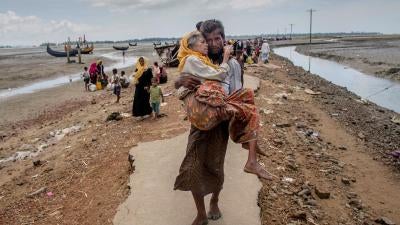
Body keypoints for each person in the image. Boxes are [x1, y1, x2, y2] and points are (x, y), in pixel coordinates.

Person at [174, 20, 269, 225]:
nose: (214, 43)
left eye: (219, 38)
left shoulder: (232, 64)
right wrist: (180, 81)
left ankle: (215, 201)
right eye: (209, 40)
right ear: (204, 42)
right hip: (199, 124)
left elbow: (235, 93)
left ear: (224, 38)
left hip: (220, 124)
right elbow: (179, 83)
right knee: (193, 166)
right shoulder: (198, 58)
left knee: (215, 168)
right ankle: (200, 214)